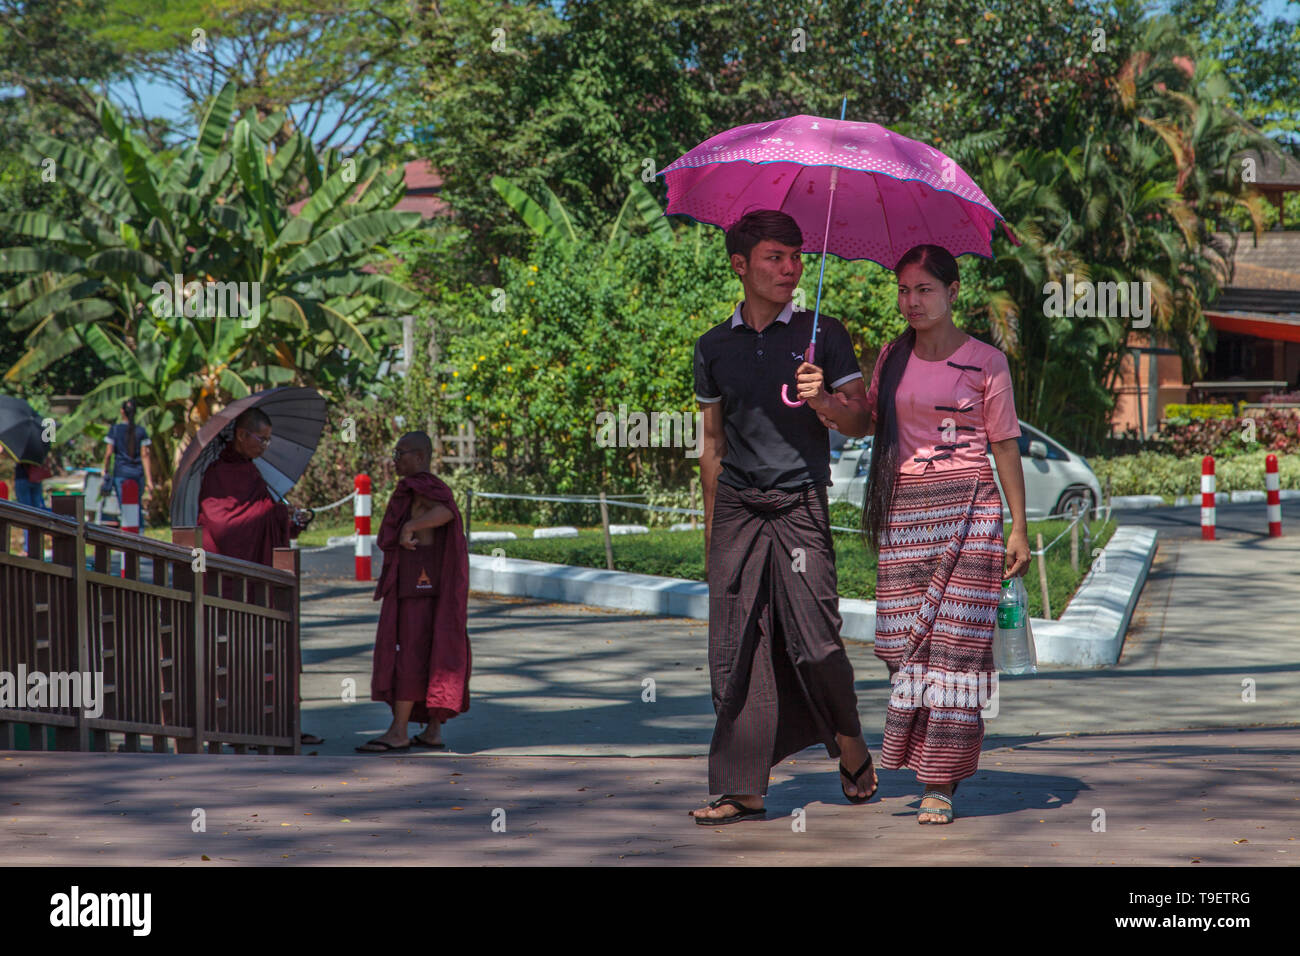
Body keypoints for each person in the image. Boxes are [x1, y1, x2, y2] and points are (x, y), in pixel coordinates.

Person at [689, 209, 879, 824]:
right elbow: (711, 442)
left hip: (800, 503)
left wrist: (823, 397)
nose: (791, 269)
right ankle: (742, 786)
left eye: (796, 257)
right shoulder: (713, 347)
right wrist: (715, 527)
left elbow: (860, 421)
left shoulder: (826, 333)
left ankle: (848, 740)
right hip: (739, 509)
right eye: (775, 257)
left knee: (817, 642)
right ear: (740, 265)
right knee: (736, 644)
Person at [857, 243, 1031, 824]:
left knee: (955, 650)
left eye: (924, 289)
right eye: (904, 290)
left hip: (972, 513)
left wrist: (1019, 528)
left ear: (953, 292)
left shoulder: (987, 361)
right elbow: (868, 423)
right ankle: (920, 753)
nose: (912, 301)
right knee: (897, 646)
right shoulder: (891, 358)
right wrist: (825, 400)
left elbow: (1005, 443)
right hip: (904, 513)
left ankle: (940, 781)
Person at [196, 405, 323, 746]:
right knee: (238, 651)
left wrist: (287, 518)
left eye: (268, 440)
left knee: (273, 647)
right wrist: (274, 513)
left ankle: (281, 723)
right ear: (241, 435)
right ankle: (240, 724)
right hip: (232, 580)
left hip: (261, 577)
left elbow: (258, 513)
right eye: (261, 439)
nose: (265, 447)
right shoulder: (218, 473)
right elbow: (222, 524)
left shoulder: (252, 472)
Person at [357, 431, 470, 752]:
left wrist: (410, 527)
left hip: (419, 587)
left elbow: (445, 511)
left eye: (400, 453)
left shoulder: (424, 486)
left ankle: (399, 731)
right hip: (425, 586)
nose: (394, 459)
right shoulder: (415, 488)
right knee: (430, 651)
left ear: (419, 458)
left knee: (409, 653)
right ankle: (432, 731)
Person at [101, 399, 153, 526]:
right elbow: (145, 455)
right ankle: (139, 533)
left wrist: (105, 470)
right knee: (137, 506)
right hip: (137, 474)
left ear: (122, 411)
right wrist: (149, 480)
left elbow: (108, 454)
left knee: (124, 508)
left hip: (121, 474)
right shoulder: (141, 431)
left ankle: (127, 535)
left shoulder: (115, 430)